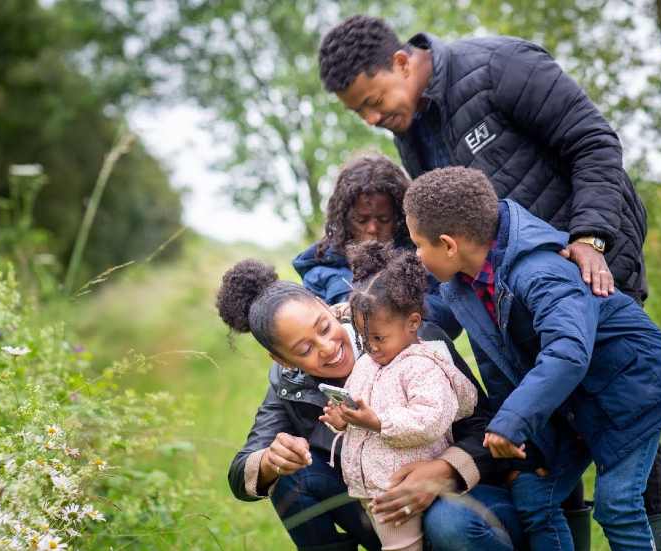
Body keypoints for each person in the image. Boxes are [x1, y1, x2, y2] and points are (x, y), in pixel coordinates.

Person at [318, 17, 661, 548]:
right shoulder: (411, 130)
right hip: (499, 298)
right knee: (548, 430)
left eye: (373, 100)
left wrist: (591, 237)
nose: (372, 118)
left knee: (613, 407)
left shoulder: (497, 67)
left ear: (399, 62)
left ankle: (653, 535)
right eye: (358, 112)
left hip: (587, 270)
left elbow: (593, 143)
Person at [403, 166, 661, 550]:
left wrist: (512, 421)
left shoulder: (539, 269)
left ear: (449, 244)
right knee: (535, 496)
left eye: (418, 245)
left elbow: (568, 351)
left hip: (631, 389)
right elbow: (496, 361)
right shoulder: (464, 283)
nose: (418, 257)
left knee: (617, 505)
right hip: (569, 400)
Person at [217, 259, 526, 551]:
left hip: (468, 498)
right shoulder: (288, 385)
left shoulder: (407, 335)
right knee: (290, 480)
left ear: (326, 307)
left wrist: (443, 471)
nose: (327, 348)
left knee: (448, 523)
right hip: (384, 511)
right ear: (283, 360)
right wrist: (271, 460)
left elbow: (484, 425)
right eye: (305, 348)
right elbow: (239, 473)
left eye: (324, 327)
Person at [318, 242, 478, 551]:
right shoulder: (367, 364)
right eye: (364, 338)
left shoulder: (421, 365)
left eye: (379, 338)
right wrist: (343, 419)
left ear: (413, 323)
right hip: (373, 482)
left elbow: (429, 419)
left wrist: (378, 422)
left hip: (403, 482)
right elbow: (359, 407)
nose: (371, 346)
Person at [292, 153, 459, 337]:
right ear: (344, 219)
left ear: (399, 217)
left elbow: (451, 316)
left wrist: (393, 304)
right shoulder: (321, 268)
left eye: (383, 219)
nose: (372, 228)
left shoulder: (421, 255)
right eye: (361, 220)